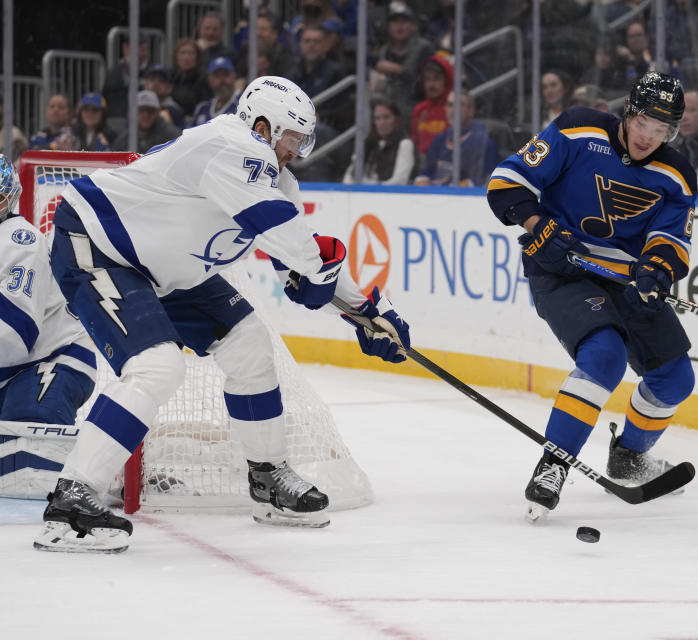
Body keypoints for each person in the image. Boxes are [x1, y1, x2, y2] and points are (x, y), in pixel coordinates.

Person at [34, 75, 412, 553]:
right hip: (96, 243)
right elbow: (299, 249)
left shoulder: (276, 178)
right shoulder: (229, 144)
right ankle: (71, 501)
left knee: (250, 343)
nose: (297, 148)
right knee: (157, 366)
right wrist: (323, 269)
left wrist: (366, 310)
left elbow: (298, 258)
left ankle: (267, 476)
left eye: (302, 139)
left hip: (165, 269)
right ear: (262, 125)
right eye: (292, 136)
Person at [486, 71, 696, 522]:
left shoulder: (675, 173)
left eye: (662, 131)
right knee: (604, 355)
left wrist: (657, 269)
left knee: (675, 378)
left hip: (625, 279)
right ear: (628, 113)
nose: (648, 138)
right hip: (561, 270)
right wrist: (537, 225)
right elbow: (506, 182)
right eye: (643, 124)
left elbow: (672, 240)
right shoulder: (577, 128)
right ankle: (553, 466)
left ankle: (628, 459)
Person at [0, 154, 97, 429]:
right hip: (10, 368)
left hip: (50, 360)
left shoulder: (20, 242)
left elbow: (15, 335)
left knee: (28, 449)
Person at [414, 90, 499, 187]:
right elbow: (427, 173)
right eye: (450, 105)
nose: (453, 109)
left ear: (471, 111)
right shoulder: (440, 139)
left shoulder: (483, 142)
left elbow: (487, 181)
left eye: (459, 105)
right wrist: (421, 182)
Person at [369, 2, 434, 114]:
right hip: (390, 110)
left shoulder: (424, 48)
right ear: (388, 26)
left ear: (413, 25)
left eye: (404, 21)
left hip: (416, 109)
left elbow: (428, 85)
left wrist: (399, 70)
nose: (399, 26)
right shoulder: (384, 50)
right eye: (395, 22)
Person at [343, 96, 416, 184]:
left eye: (386, 117)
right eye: (377, 118)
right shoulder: (367, 144)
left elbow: (399, 181)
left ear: (396, 120)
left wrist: (372, 186)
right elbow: (349, 176)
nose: (382, 123)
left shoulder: (405, 144)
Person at [410, 55, 453, 156]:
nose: (431, 85)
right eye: (427, 79)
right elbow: (415, 143)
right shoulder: (419, 110)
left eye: (436, 79)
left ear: (447, 81)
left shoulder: (455, 108)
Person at [114, 90, 181, 154]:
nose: (145, 115)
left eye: (150, 111)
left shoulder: (172, 137)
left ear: (158, 112)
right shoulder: (124, 139)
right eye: (141, 110)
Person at [190, 57, 242, 127]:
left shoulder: (243, 105)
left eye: (225, 74)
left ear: (234, 76)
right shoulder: (202, 109)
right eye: (217, 76)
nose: (222, 80)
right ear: (209, 80)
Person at [170, 38, 208, 118]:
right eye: (182, 53)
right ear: (176, 57)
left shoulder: (204, 80)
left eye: (191, 53)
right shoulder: (170, 77)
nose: (186, 57)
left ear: (197, 57)